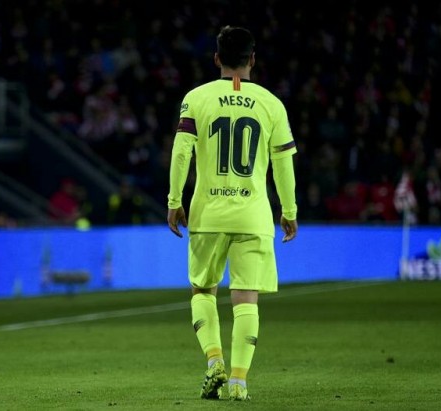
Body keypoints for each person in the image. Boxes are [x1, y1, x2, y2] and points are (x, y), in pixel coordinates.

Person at [166, 25, 298, 401]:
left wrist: (175, 200)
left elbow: (181, 152)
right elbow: (283, 163)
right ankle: (239, 382)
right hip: (253, 215)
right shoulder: (271, 104)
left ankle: (214, 362)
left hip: (208, 212)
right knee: (246, 298)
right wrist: (289, 210)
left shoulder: (196, 98)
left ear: (217, 59)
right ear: (253, 59)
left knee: (202, 290)